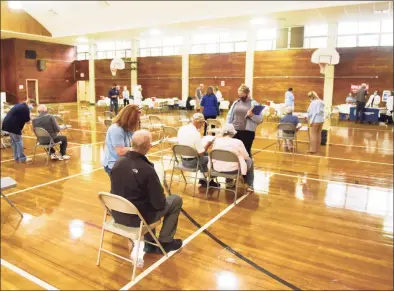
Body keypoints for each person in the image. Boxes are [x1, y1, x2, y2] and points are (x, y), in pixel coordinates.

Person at [110, 130, 183, 253]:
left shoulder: (117, 163)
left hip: (118, 215)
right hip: (138, 219)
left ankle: (150, 244)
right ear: (149, 147)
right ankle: (165, 242)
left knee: (143, 200)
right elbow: (159, 203)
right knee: (175, 200)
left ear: (131, 143)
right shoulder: (147, 169)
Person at [177, 113, 218, 187]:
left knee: (206, 155)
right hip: (193, 163)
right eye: (202, 124)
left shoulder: (182, 128)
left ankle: (203, 179)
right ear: (199, 122)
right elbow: (201, 153)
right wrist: (207, 145)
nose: (202, 126)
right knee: (211, 158)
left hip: (183, 160)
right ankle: (209, 179)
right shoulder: (195, 133)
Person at [211, 123, 254, 192]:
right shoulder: (238, 142)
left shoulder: (217, 141)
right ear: (232, 132)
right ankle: (249, 184)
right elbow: (246, 157)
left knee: (227, 161)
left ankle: (229, 182)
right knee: (249, 160)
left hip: (216, 168)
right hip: (233, 170)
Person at [103, 104, 141, 176]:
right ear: (129, 119)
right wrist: (137, 149)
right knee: (121, 187)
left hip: (125, 162)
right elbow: (120, 151)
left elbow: (133, 142)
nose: (137, 122)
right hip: (114, 165)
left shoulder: (128, 127)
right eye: (135, 120)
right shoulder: (116, 129)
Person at [227, 84, 263, 156]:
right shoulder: (236, 103)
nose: (240, 97)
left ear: (247, 93)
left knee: (246, 153)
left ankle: (248, 166)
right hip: (234, 131)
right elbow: (229, 116)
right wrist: (228, 127)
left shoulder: (253, 104)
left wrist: (252, 115)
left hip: (247, 132)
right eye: (239, 95)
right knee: (234, 152)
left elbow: (260, 119)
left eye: (242, 95)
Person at [2, 98, 36, 163]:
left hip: (8, 124)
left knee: (14, 142)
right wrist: (33, 119)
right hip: (13, 126)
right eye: (33, 105)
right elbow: (27, 120)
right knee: (19, 141)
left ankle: (16, 157)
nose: (32, 107)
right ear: (30, 103)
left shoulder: (20, 105)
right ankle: (22, 158)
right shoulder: (25, 108)